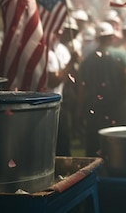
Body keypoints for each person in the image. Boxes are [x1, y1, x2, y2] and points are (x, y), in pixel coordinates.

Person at [77, 21, 126, 156]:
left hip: (95, 107)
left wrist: (79, 109)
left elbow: (82, 88)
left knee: (94, 145)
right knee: (119, 144)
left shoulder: (87, 60)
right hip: (118, 106)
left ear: (97, 39)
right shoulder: (121, 54)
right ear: (111, 37)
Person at [46, 16, 80, 156]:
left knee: (64, 144)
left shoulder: (63, 50)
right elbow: (53, 80)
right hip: (47, 104)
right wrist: (71, 62)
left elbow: (72, 75)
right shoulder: (46, 51)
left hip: (61, 101)